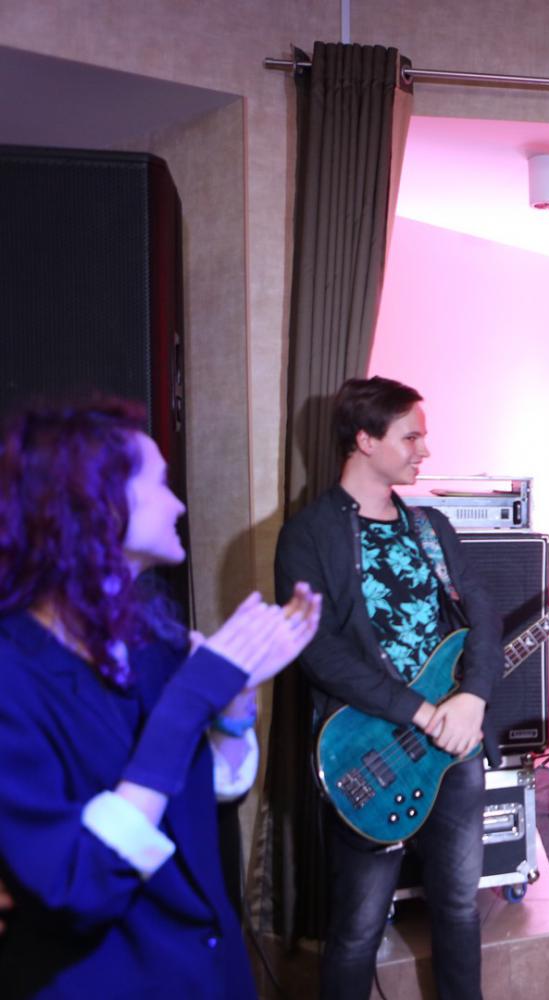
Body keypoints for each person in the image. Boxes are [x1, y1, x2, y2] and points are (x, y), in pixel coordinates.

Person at [0, 400, 321, 997]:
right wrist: (188, 702)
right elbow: (74, 885)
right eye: (157, 485)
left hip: (208, 971)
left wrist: (235, 702)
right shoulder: (12, 673)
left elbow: (206, 788)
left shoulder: (150, 637)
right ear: (93, 503)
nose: (178, 505)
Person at [274, 376, 502, 1000]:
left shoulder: (430, 526)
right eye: (411, 437)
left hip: (452, 747)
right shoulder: (308, 535)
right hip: (368, 750)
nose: (425, 450)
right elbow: (317, 650)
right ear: (365, 440)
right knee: (357, 931)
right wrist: (422, 712)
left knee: (459, 909)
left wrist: (473, 697)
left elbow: (483, 612)